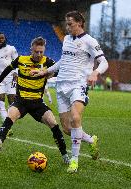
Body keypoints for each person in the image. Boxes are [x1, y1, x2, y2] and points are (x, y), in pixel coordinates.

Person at [30, 11, 108, 173]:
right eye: (66, 24)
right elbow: (63, 61)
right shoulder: (66, 39)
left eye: (70, 24)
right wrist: (44, 71)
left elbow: (103, 62)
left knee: (75, 117)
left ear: (79, 23)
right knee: (66, 128)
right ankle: (90, 139)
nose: (67, 27)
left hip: (78, 85)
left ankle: (75, 161)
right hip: (61, 85)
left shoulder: (89, 41)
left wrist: (95, 73)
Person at [0, 36, 70, 164]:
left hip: (37, 103)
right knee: (11, 115)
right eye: (36, 51)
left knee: (53, 123)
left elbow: (61, 71)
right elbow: (6, 70)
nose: (39, 54)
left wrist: (48, 72)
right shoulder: (21, 60)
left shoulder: (47, 62)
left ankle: (65, 156)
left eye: (41, 52)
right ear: (31, 49)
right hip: (21, 101)